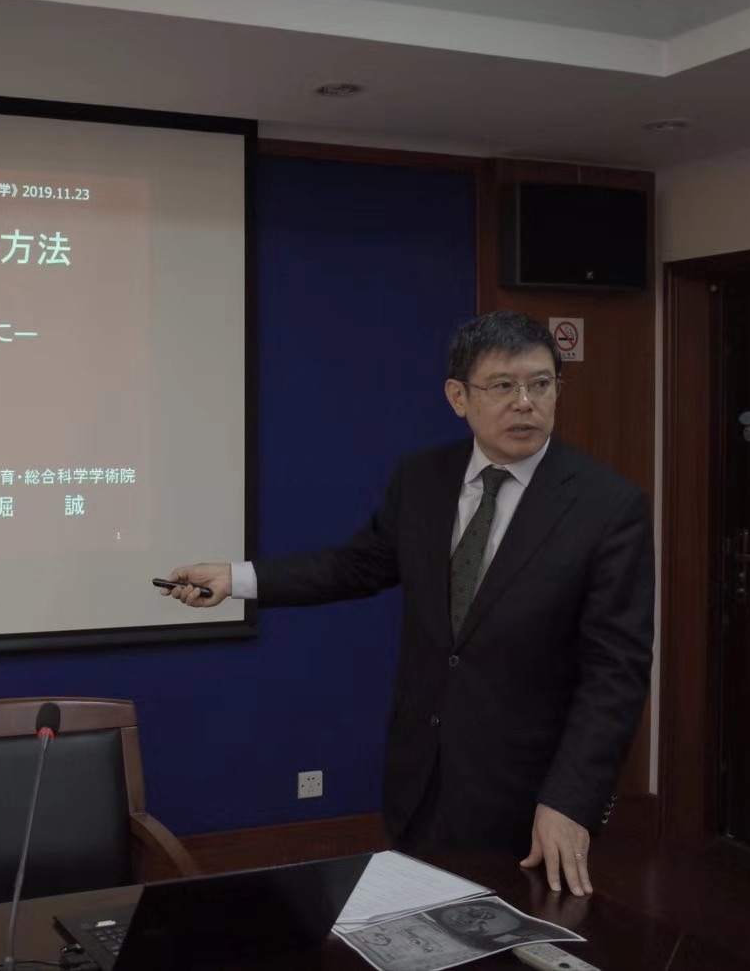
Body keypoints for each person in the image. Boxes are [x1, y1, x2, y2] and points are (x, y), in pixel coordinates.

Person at [161, 310, 654, 898]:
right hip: (421, 775)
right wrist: (237, 578)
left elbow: (616, 673)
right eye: (503, 385)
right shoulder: (423, 479)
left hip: (531, 793)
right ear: (458, 396)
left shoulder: (607, 506)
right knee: (418, 924)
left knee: (519, 932)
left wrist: (570, 799)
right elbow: (355, 566)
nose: (524, 402)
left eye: (540, 384)